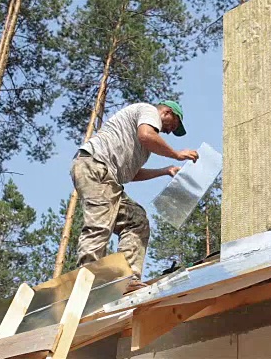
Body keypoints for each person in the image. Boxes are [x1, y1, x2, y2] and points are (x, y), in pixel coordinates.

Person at [70, 100, 199, 291]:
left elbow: (132, 174)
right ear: (167, 112)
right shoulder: (148, 111)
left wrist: (165, 171)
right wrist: (177, 155)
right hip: (95, 166)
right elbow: (146, 135)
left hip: (109, 178)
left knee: (136, 220)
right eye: (174, 125)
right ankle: (88, 280)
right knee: (100, 223)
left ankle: (126, 279)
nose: (170, 131)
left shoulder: (144, 150)